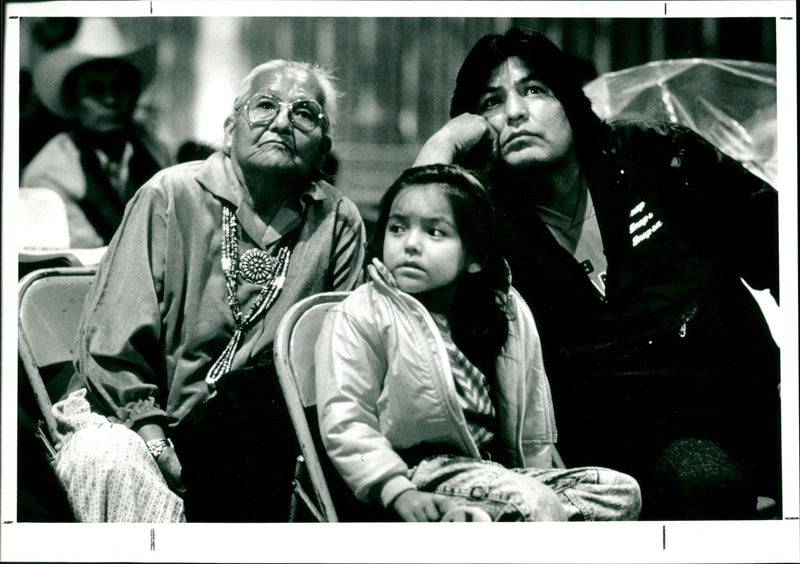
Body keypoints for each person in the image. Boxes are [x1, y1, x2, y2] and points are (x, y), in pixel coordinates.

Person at [413, 28, 781, 519]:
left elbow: (778, 244)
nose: (515, 112)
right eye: (491, 103)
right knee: (695, 477)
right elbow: (407, 302)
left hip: (741, 420)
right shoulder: (485, 223)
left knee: (700, 474)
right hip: (607, 470)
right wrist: (441, 148)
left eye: (534, 90)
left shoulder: (657, 154)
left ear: (570, 99)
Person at [50, 59, 366, 522]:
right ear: (230, 127)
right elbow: (112, 347)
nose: (281, 121)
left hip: (261, 439)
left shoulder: (338, 221)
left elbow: (339, 364)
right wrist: (154, 435)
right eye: (265, 106)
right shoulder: (168, 195)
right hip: (131, 416)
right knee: (103, 460)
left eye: (304, 113)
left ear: (324, 147)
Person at [316, 164, 641, 522]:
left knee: (619, 489)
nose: (410, 244)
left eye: (435, 232)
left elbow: (531, 413)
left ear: (474, 257)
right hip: (417, 474)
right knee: (531, 502)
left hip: (493, 474)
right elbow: (347, 421)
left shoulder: (504, 311)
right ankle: (497, 518)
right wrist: (397, 490)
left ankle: (479, 519)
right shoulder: (363, 312)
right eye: (397, 228)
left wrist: (535, 475)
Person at [21, 18, 173, 248]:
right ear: (71, 101)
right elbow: (84, 253)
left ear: (134, 95)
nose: (111, 100)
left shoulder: (156, 151)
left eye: (120, 87)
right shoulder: (48, 174)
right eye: (95, 89)